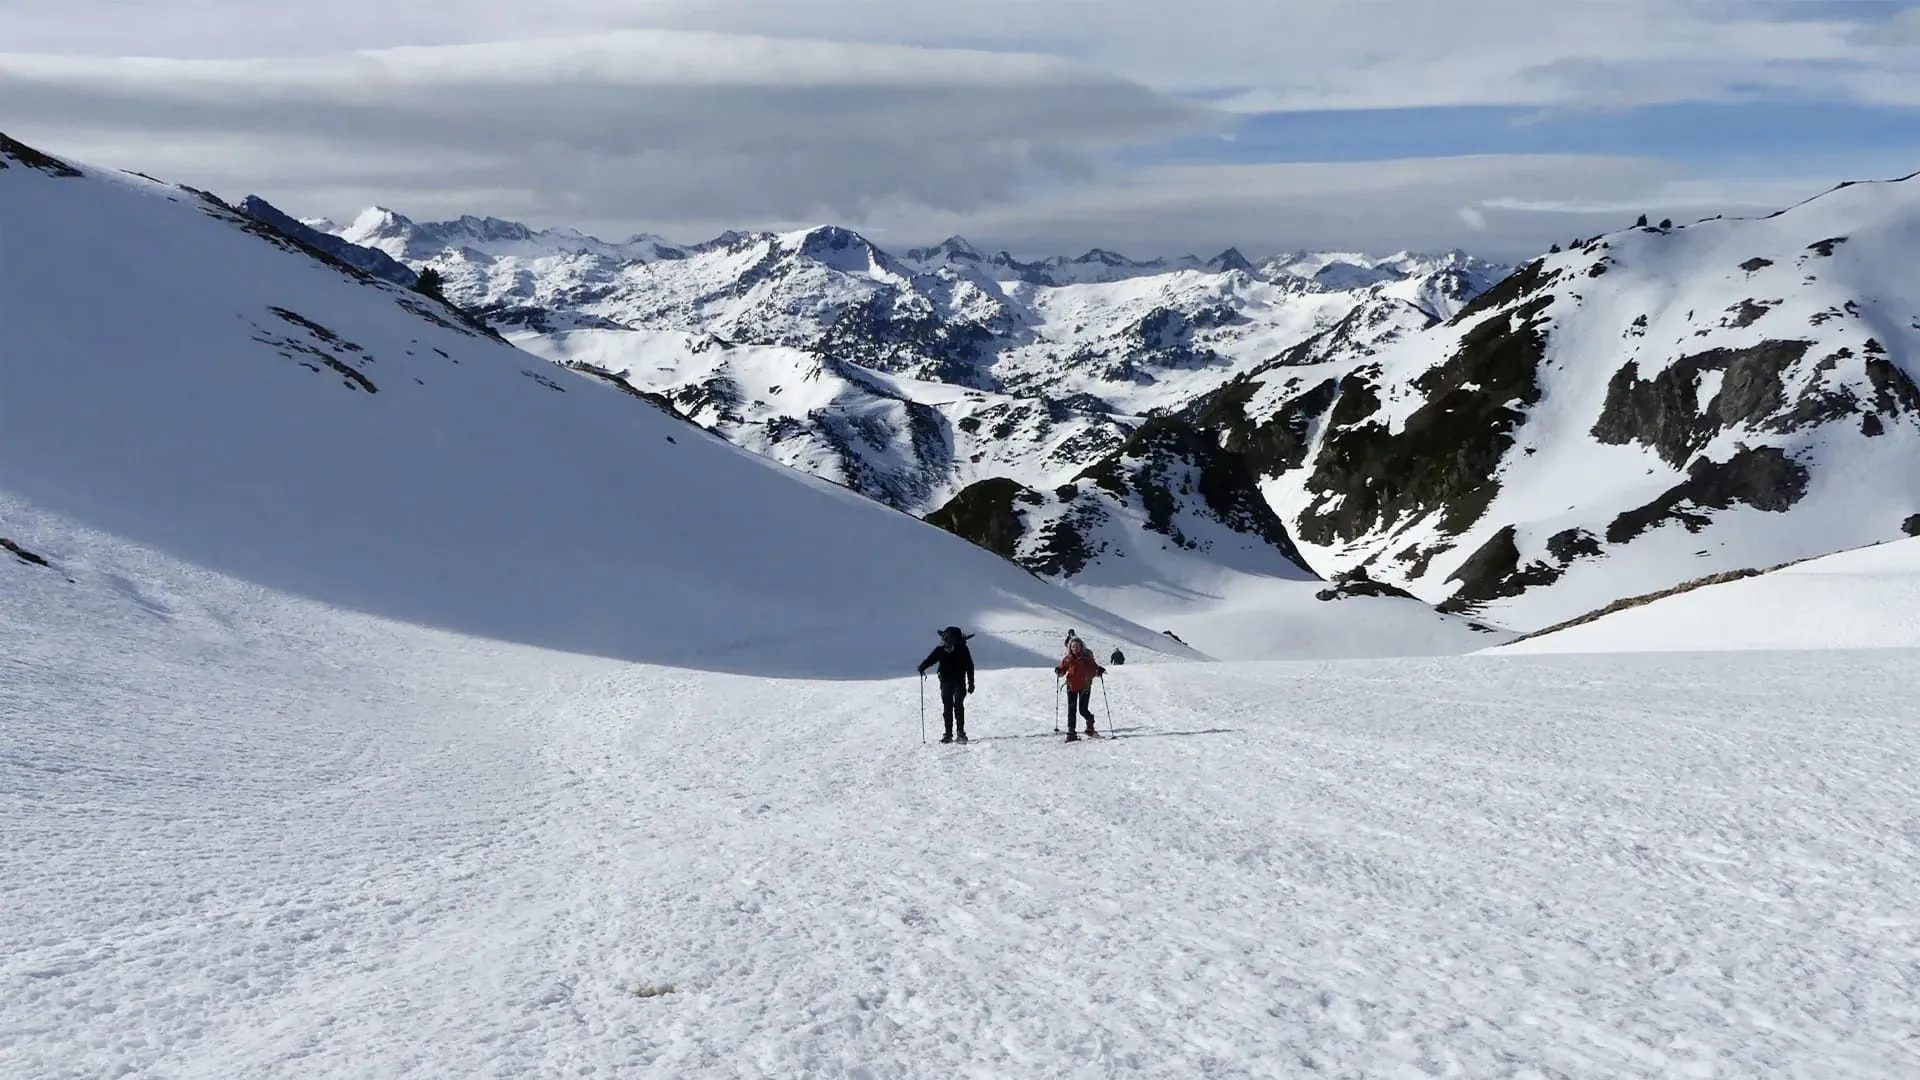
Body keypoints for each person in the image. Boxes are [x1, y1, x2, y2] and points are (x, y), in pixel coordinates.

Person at [917, 626, 976, 744]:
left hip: (956, 681)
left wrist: (971, 683)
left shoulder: (960, 649)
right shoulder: (943, 649)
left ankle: (957, 733)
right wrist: (922, 666)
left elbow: (969, 666)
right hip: (948, 681)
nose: (946, 646)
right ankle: (952, 733)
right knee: (950, 706)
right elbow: (931, 659)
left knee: (955, 705)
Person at [1055, 636, 1105, 741]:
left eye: (1077, 646)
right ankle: (1071, 732)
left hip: (1085, 686)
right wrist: (1059, 671)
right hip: (1071, 686)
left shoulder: (1087, 658)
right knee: (1071, 710)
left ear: (1081, 647)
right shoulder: (1068, 658)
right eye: (1073, 646)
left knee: (1083, 710)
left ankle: (1090, 724)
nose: (1075, 648)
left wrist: (1099, 671)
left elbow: (1094, 668)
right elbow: (1063, 670)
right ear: (1070, 647)